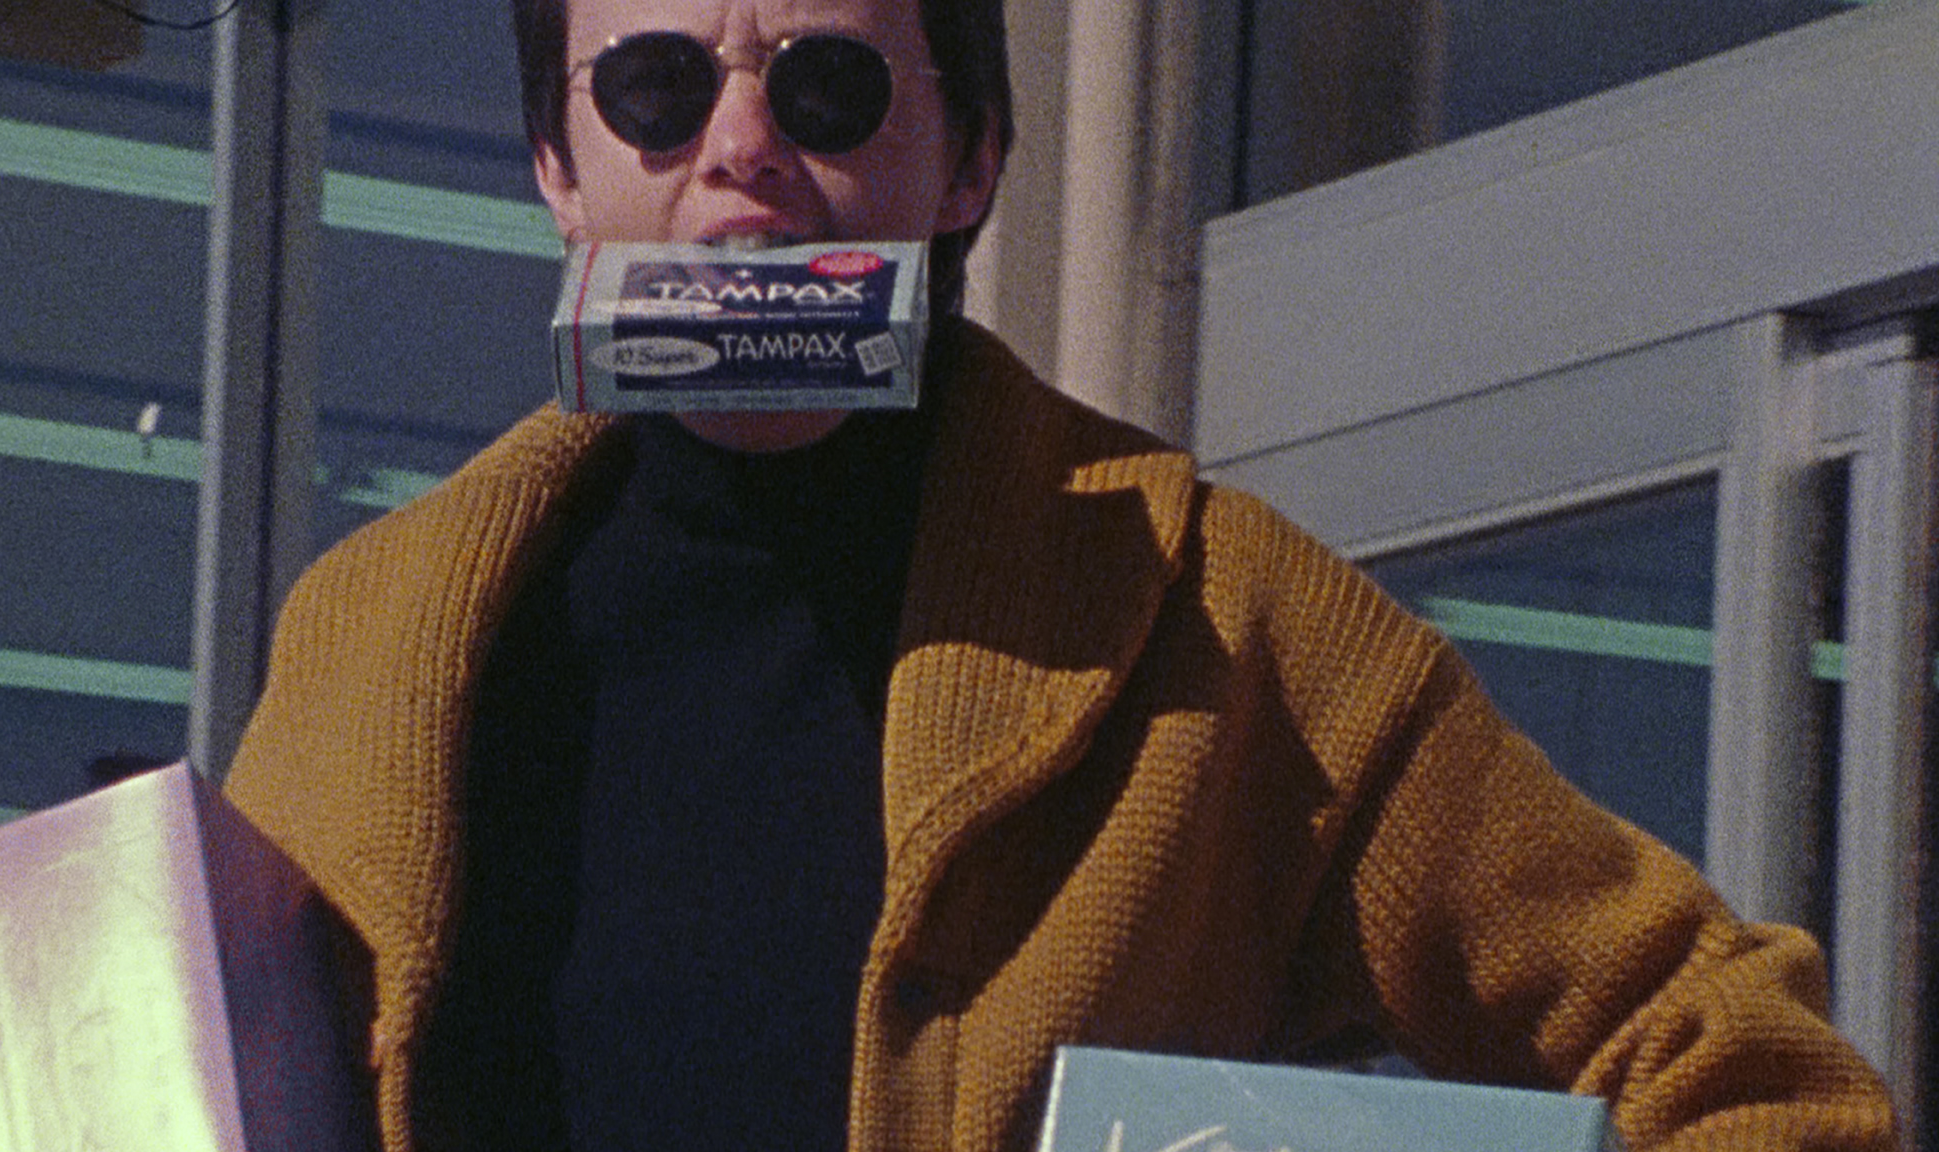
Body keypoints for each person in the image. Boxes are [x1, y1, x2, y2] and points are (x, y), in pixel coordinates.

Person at [221, 0, 1902, 1148]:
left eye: (829, 87)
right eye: (654, 88)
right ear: (557, 165)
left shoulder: (1220, 618)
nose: (740, 145)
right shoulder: (370, 642)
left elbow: (1727, 1051)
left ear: (970, 159)